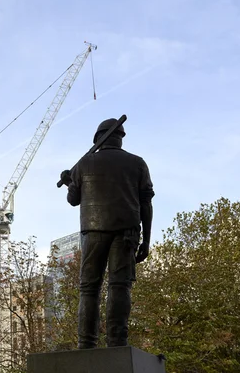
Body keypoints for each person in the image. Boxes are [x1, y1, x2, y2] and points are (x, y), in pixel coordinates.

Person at [60, 118, 155, 349]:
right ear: (120, 138)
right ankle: (117, 343)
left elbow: (73, 200)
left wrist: (68, 180)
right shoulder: (137, 163)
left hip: (93, 233)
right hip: (127, 232)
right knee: (119, 286)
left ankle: (86, 344)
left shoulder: (84, 164)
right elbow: (146, 204)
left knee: (89, 288)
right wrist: (147, 240)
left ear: (98, 139)